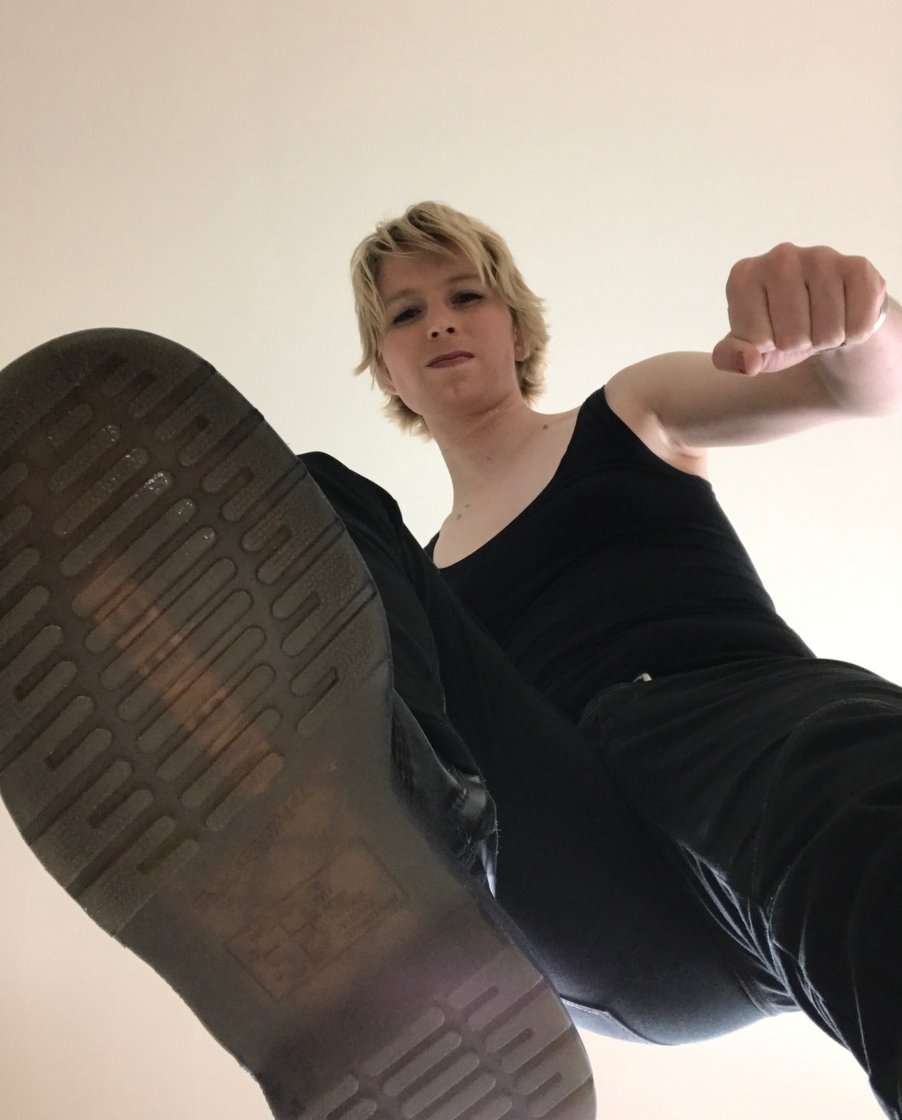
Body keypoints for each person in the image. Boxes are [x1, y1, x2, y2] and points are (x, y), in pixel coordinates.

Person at [0, 200, 898, 1119]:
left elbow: (858, 388)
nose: (438, 321)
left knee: (868, 803)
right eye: (405, 313)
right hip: (595, 898)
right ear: (386, 367)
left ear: (518, 327)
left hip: (746, 745)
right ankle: (400, 858)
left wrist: (861, 323)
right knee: (323, 507)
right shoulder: (407, 591)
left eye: (466, 296)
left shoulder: (629, 413)